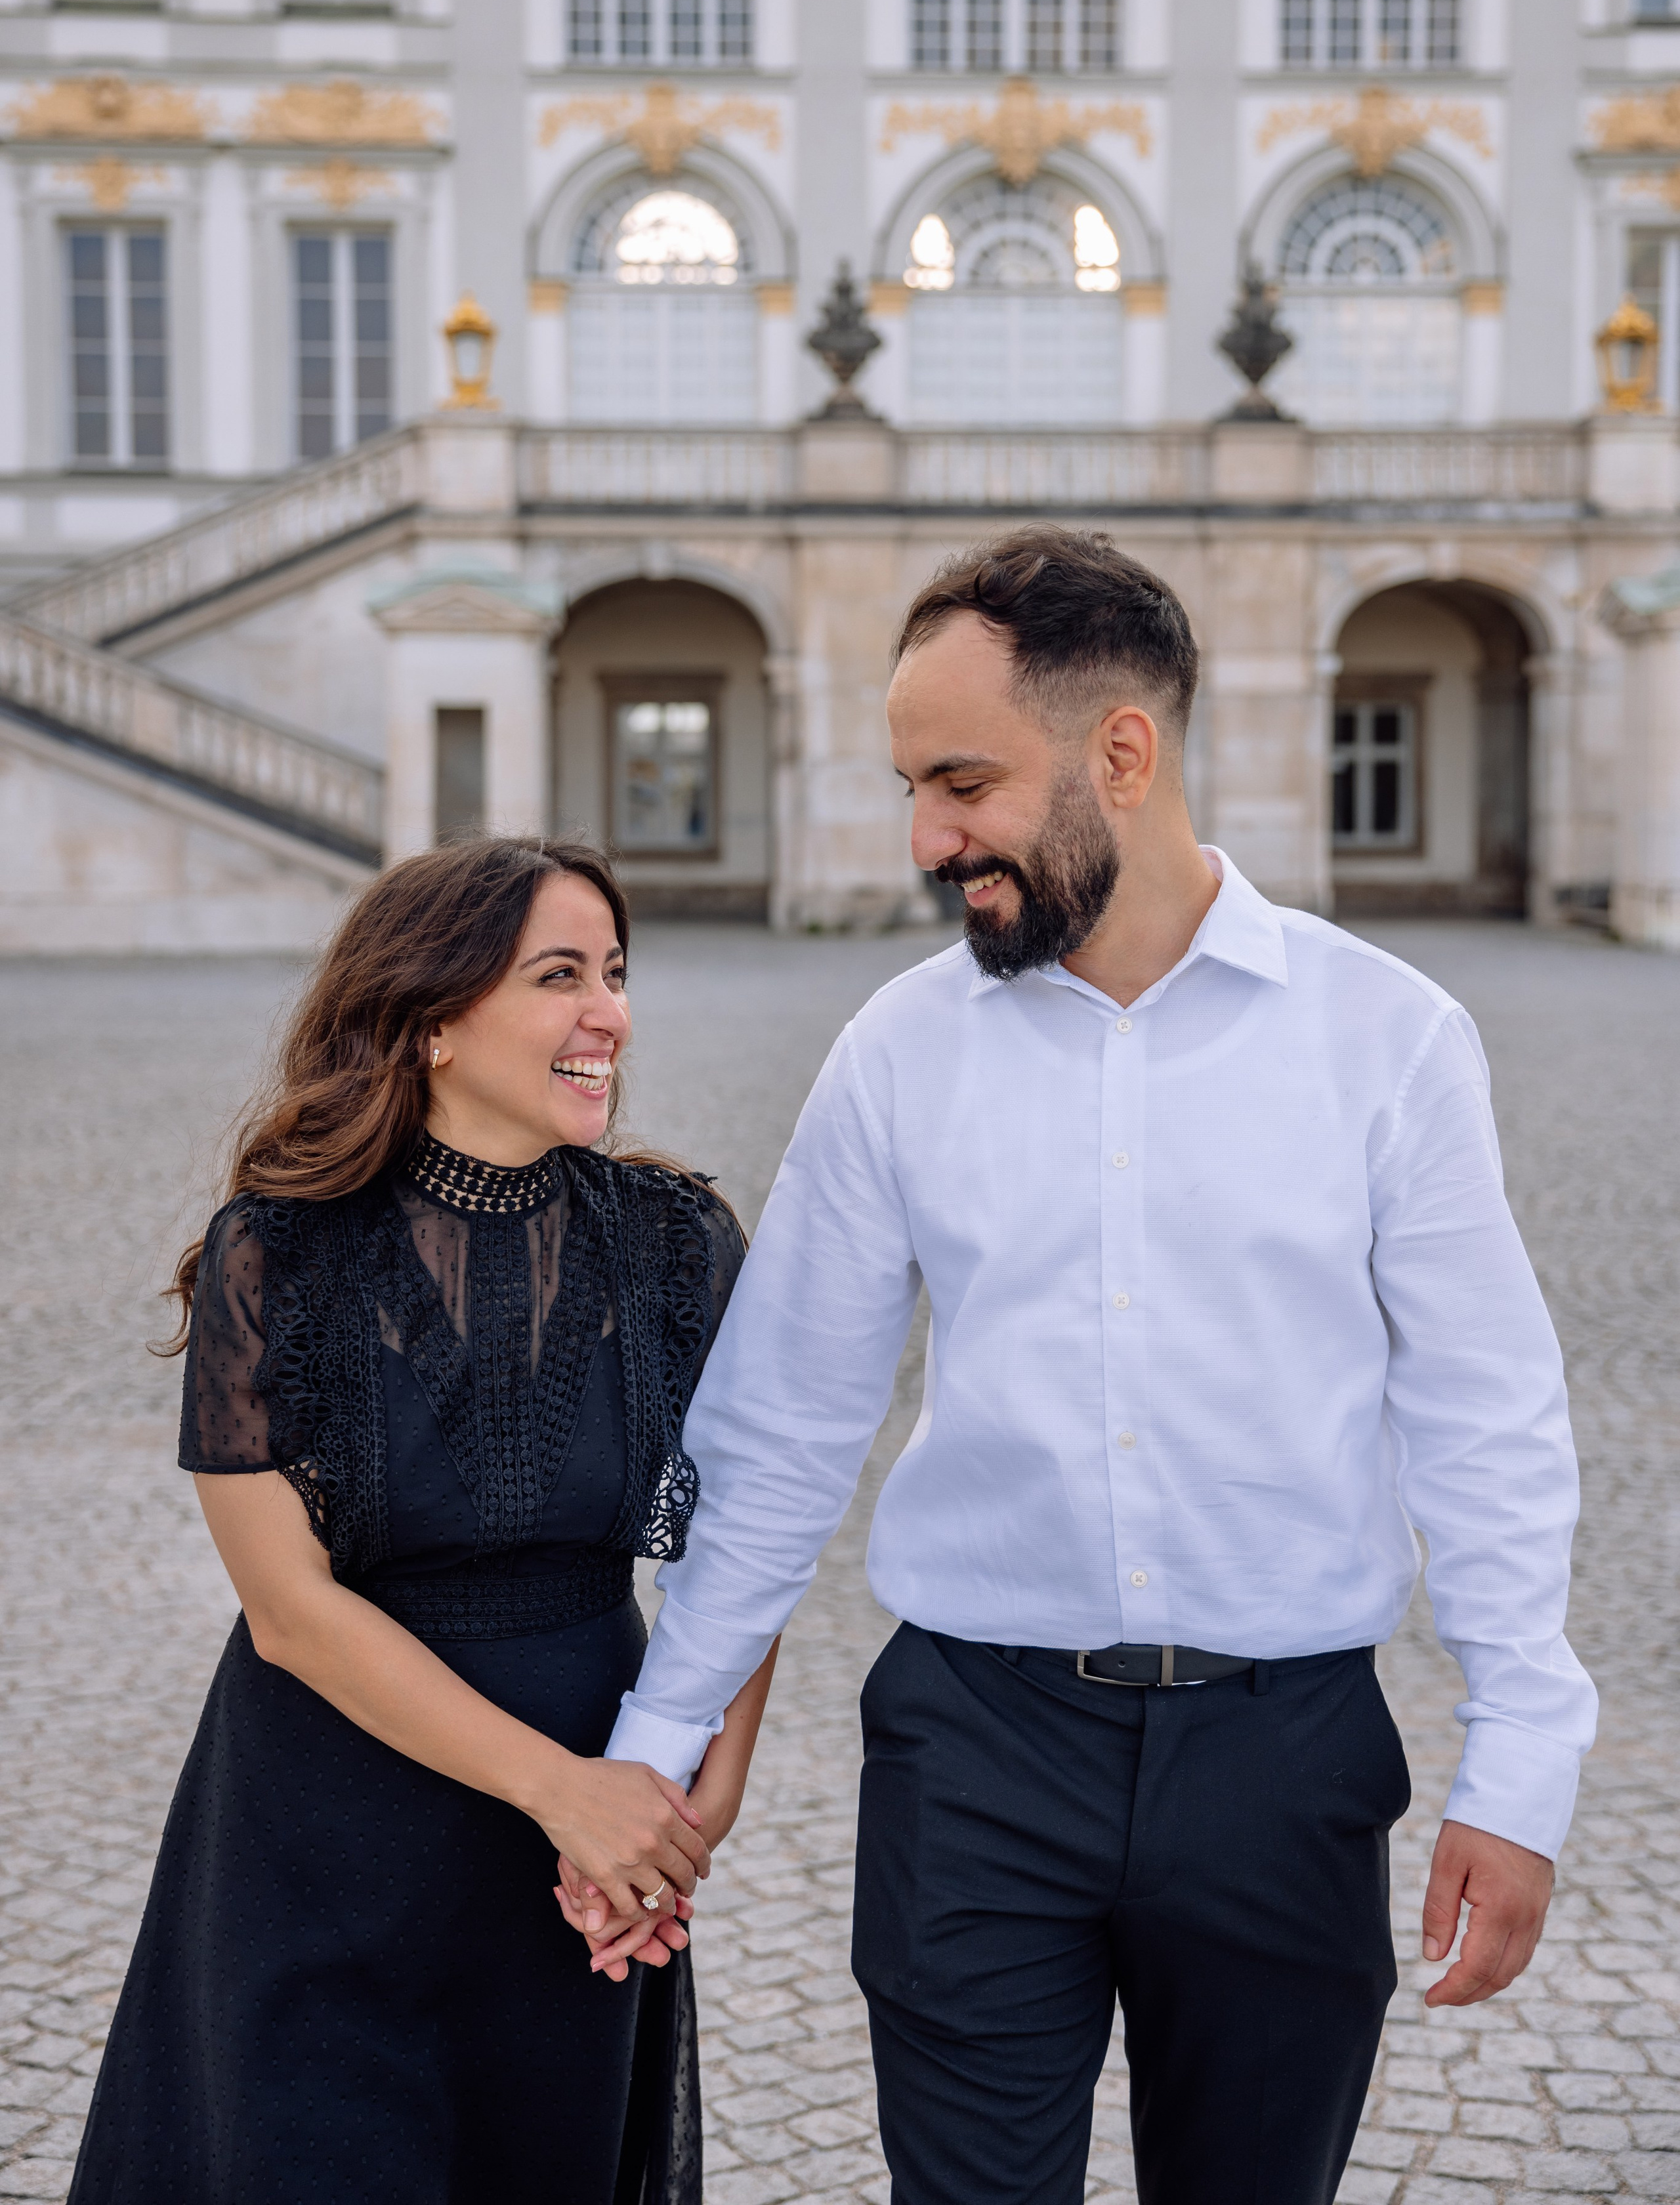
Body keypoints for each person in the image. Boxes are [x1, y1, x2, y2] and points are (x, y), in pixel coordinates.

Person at [593, 530, 1597, 2205]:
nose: (928, 838)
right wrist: (657, 1735)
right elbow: (780, 1427)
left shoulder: (1389, 1038)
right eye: (914, 786)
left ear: (1119, 752)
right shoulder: (897, 1051)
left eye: (962, 781)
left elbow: (1483, 1412)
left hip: (1285, 1759)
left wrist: (1520, 1762)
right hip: (973, 1754)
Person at [68, 835, 778, 2205]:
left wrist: (688, 1802)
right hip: (327, 1836)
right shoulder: (274, 1252)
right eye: (558, 975)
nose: (607, 1014)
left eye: (616, 975)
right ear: (434, 1019)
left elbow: (746, 1539)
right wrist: (560, 1788)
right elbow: (290, 1611)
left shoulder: (679, 1240)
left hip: (580, 1863)